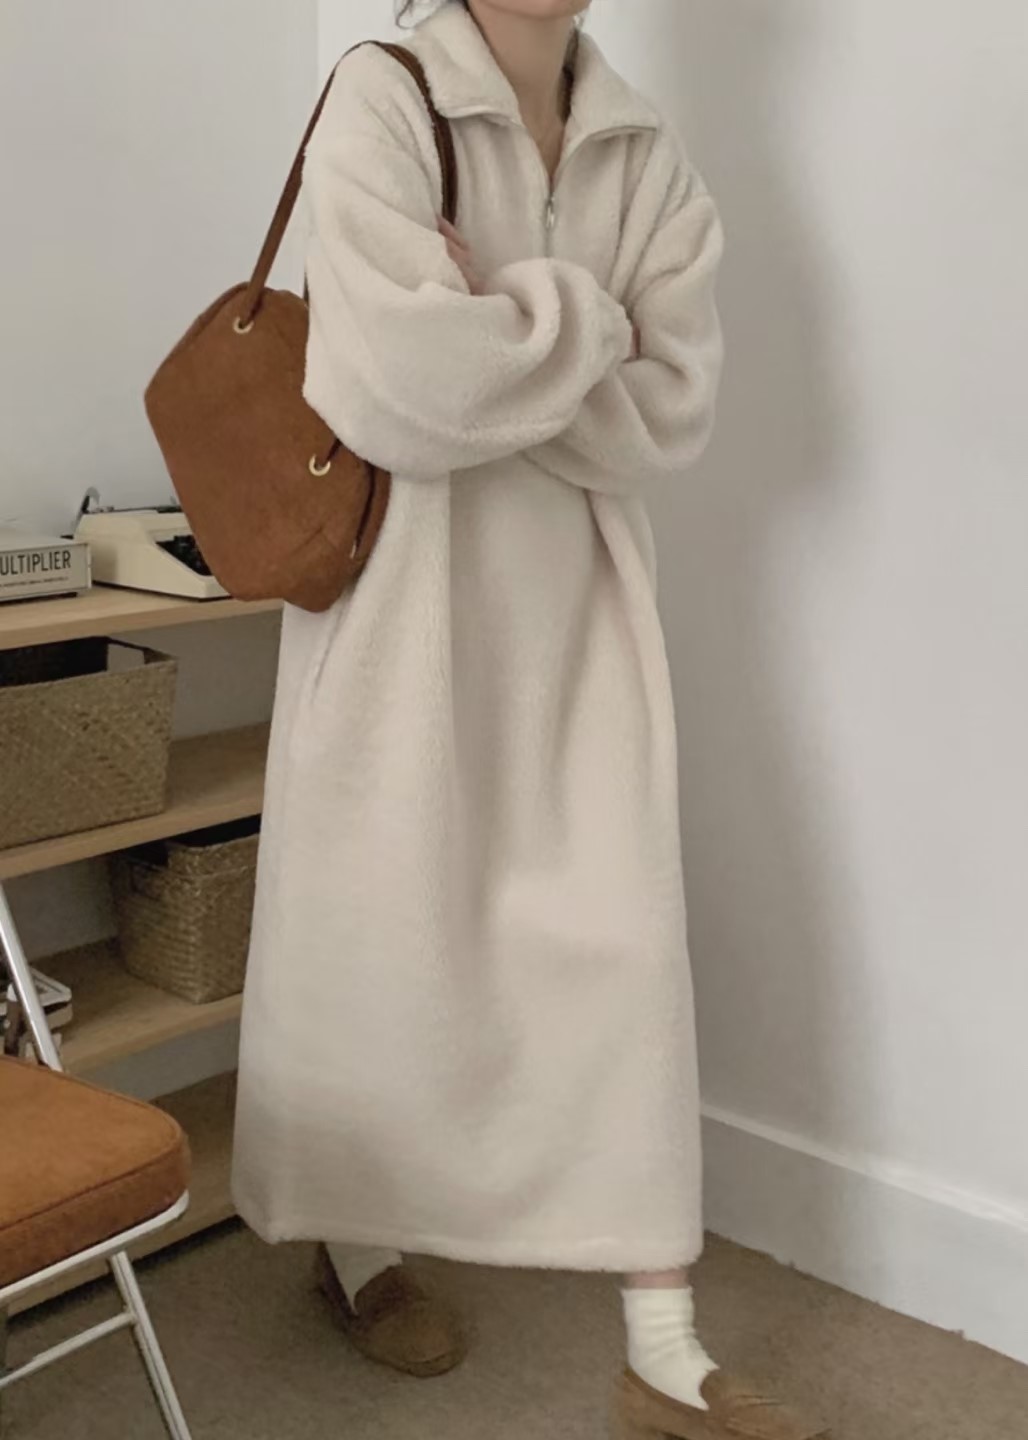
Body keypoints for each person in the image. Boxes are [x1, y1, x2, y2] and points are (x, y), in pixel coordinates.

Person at [232, 2, 826, 1436]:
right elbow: (396, 386)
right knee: (380, 925)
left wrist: (498, 313)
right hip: (402, 603)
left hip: (579, 613)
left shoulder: (644, 151)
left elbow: (671, 409)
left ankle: (662, 1343)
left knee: (621, 944)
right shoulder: (382, 93)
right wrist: (591, 321)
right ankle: (357, 1247)